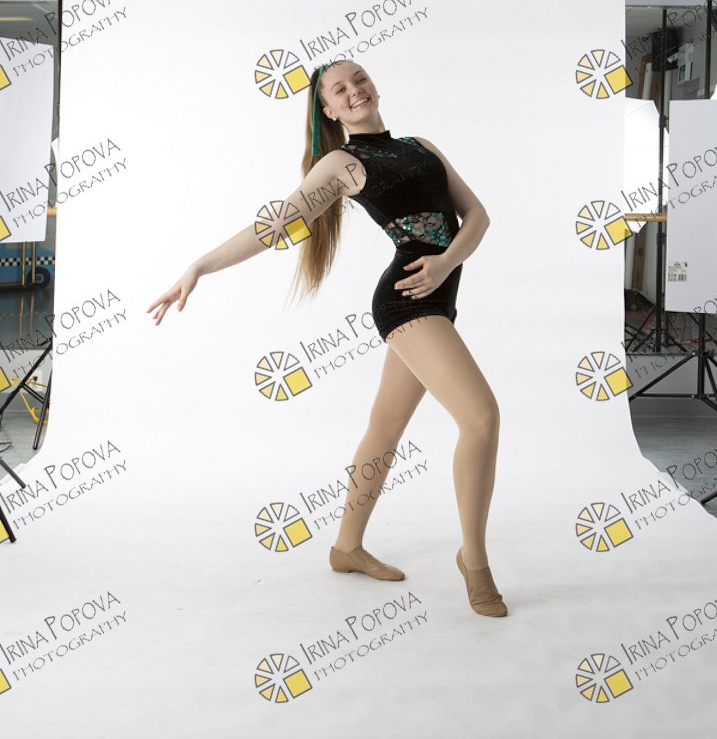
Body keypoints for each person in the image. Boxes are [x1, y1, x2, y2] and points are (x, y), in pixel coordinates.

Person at [147, 59, 506, 617]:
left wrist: (445, 263)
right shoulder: (342, 164)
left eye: (359, 79)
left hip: (436, 291)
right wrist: (199, 266)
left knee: (384, 429)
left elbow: (477, 215)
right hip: (406, 302)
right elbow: (275, 225)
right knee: (481, 417)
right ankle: (474, 561)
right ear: (329, 111)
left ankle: (346, 548)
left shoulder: (421, 146)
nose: (354, 91)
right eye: (339, 90)